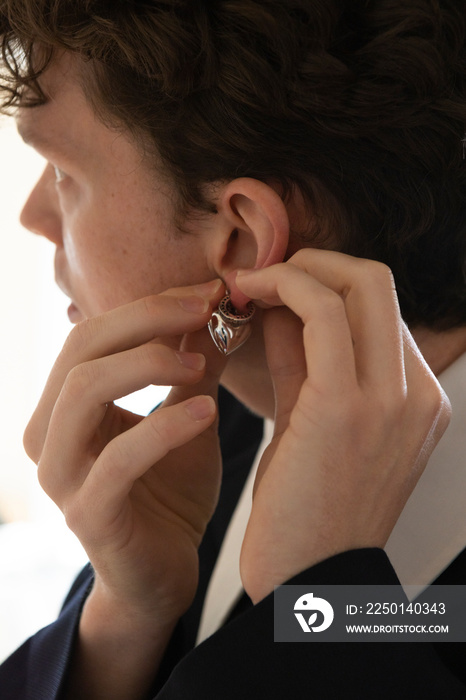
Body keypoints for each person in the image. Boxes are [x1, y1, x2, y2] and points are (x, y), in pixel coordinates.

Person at [0, 0, 466, 697]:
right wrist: (127, 616)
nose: (33, 215)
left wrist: (316, 608)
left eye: (64, 173)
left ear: (242, 240)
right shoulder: (216, 435)